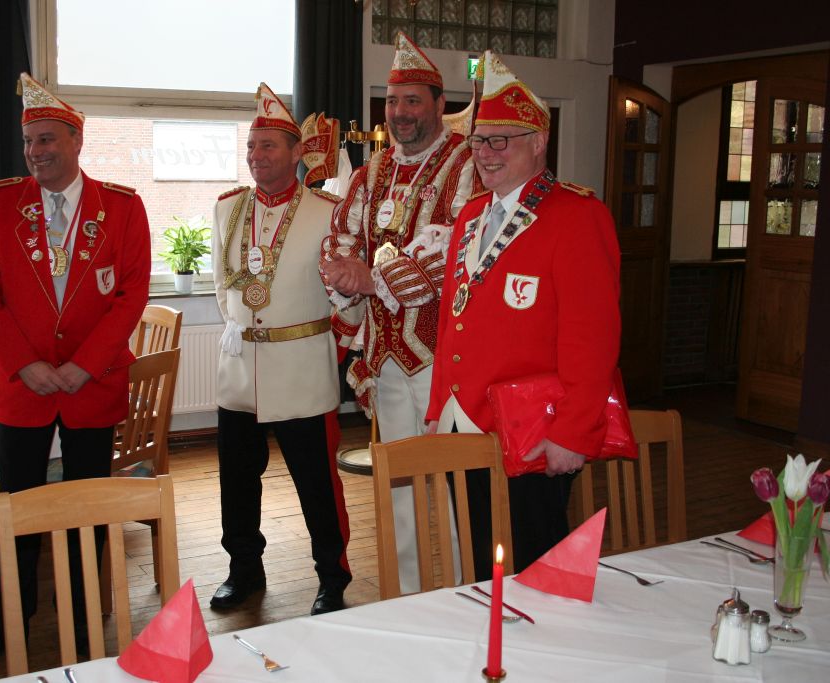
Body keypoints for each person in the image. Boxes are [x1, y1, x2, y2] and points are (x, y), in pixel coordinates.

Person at [0, 73, 151, 674]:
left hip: (93, 384)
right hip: (24, 385)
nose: (35, 152)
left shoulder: (122, 208)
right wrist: (26, 363)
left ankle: (86, 622)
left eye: (46, 140)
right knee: (16, 507)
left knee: (89, 508)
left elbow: (132, 294)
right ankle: (1, 623)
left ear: (76, 141)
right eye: (28, 141)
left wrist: (85, 365)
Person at [426, 51, 622, 575]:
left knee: (535, 569)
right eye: (478, 141)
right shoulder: (470, 215)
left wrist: (573, 432)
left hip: (535, 430)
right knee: (479, 560)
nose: (486, 154)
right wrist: (438, 406)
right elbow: (452, 320)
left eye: (501, 140)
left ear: (539, 142)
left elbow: (594, 338)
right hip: (462, 419)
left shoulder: (577, 216)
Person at [320, 32, 475, 592]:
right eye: (392, 101)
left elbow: (452, 252)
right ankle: (408, 593)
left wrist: (373, 277)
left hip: (447, 357)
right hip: (387, 356)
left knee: (454, 478)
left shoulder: (466, 164)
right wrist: (342, 272)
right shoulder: (372, 172)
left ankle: (464, 590)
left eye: (412, 100)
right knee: (399, 481)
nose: (401, 112)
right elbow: (341, 233)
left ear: (439, 104)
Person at [209, 84, 351, 616]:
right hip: (239, 372)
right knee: (237, 483)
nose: (256, 155)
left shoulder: (327, 211)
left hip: (300, 371)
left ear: (296, 153)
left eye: (268, 145)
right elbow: (221, 284)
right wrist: (241, 327)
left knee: (316, 484)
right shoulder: (228, 208)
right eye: (251, 146)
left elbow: (343, 293)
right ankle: (243, 569)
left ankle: (331, 577)